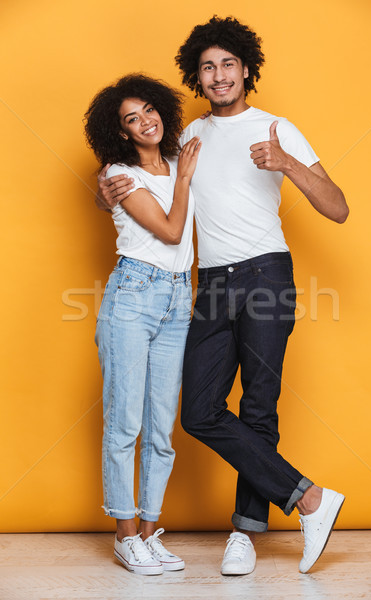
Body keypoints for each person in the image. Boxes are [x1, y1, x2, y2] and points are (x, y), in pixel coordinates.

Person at [95, 16, 349, 576]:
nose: (218, 75)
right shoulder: (186, 136)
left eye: (228, 64)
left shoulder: (278, 128)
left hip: (265, 275)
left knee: (259, 404)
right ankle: (310, 498)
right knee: (200, 412)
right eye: (207, 67)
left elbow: (337, 207)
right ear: (196, 77)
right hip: (207, 283)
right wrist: (103, 192)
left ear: (246, 69)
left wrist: (286, 164)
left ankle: (245, 533)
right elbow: (145, 187)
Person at [84, 74, 201, 575]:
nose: (145, 121)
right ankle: (124, 535)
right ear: (122, 132)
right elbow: (173, 232)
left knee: (160, 426)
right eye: (131, 118)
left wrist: (183, 172)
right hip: (134, 295)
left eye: (149, 110)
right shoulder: (121, 173)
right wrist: (185, 180)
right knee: (124, 422)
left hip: (178, 297)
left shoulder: (177, 160)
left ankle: (151, 534)